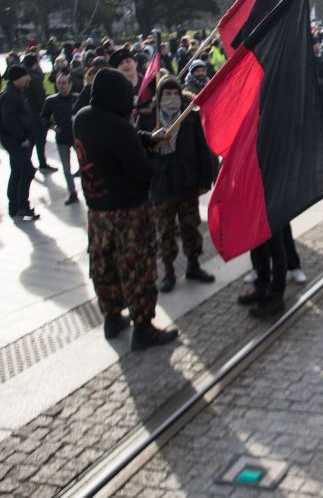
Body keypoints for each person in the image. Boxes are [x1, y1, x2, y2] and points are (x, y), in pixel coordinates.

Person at [73, 68, 179, 349]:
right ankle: (143, 328)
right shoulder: (118, 128)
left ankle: (111, 317)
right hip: (129, 213)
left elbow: (123, 137)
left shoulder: (82, 119)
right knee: (137, 268)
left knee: (104, 266)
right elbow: (141, 170)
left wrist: (144, 137)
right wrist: (156, 156)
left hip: (97, 213)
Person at [137, 76, 216, 292]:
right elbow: (138, 150)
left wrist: (204, 179)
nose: (171, 97)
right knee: (165, 231)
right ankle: (169, 270)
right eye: (167, 94)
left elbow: (202, 148)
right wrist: (152, 143)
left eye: (175, 93)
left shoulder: (189, 117)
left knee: (190, 226)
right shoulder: (147, 118)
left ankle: (193, 265)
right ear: (159, 95)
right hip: (160, 186)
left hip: (186, 182)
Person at [1, 65, 39, 221]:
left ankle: (14, 206)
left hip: (16, 140)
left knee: (17, 170)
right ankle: (22, 206)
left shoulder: (15, 93)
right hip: (15, 141)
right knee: (27, 170)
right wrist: (21, 138)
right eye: (26, 76)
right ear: (18, 78)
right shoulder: (10, 96)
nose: (28, 78)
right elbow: (8, 120)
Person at [41, 72, 80, 205]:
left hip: (77, 137)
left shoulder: (77, 98)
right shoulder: (51, 100)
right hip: (62, 139)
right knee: (66, 168)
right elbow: (44, 117)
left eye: (64, 83)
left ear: (70, 84)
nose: (61, 86)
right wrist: (52, 126)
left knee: (85, 165)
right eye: (59, 83)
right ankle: (72, 192)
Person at [21, 54, 56, 172]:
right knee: (40, 140)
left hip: (27, 112)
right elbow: (39, 98)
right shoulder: (34, 78)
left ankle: (28, 162)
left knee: (33, 139)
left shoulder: (24, 75)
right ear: (35, 64)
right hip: (36, 113)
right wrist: (46, 112)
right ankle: (42, 163)